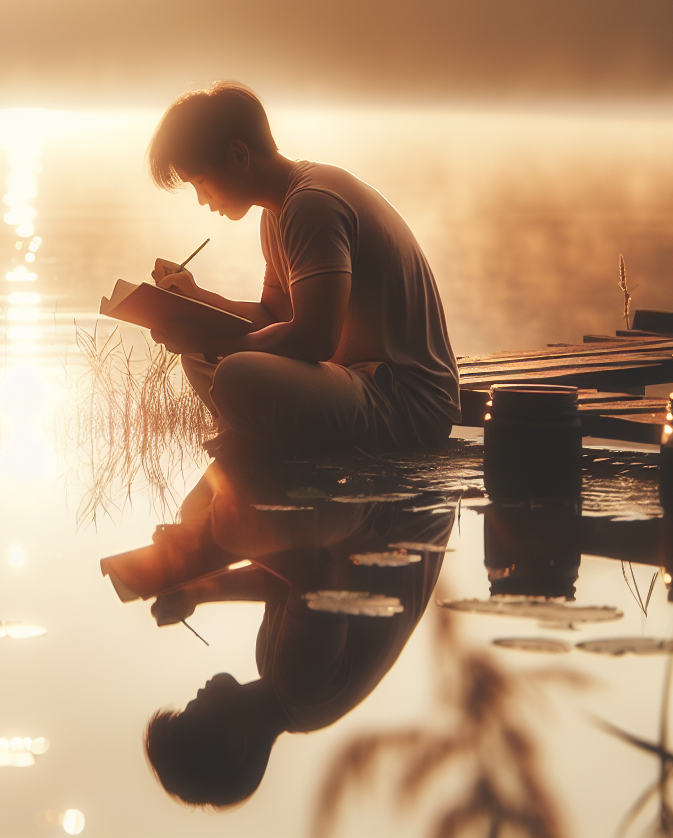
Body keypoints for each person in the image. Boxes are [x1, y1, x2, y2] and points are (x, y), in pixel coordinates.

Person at [148, 81, 460, 454]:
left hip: (406, 404)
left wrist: (217, 345)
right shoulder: (277, 213)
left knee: (233, 371)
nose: (202, 199)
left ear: (238, 155)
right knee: (196, 355)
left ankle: (256, 436)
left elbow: (315, 339)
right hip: (359, 384)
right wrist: (197, 301)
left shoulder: (312, 205)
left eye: (201, 181)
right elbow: (273, 315)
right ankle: (254, 431)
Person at [142, 456, 454, 808]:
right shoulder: (303, 690)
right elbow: (313, 570)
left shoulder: (272, 671)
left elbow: (283, 585)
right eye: (193, 714)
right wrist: (211, 544)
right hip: (406, 502)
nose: (195, 697)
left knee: (224, 512)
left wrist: (195, 591)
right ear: (235, 747)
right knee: (223, 518)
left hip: (379, 508)